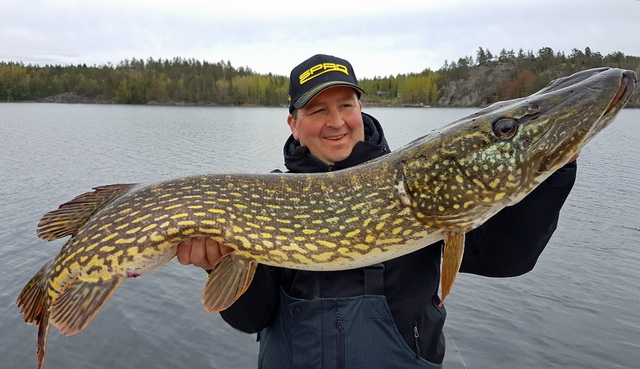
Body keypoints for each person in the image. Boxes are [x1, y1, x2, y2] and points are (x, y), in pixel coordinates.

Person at [176, 54, 577, 368]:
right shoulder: (261, 204)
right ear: (293, 125)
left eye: (345, 105)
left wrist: (553, 168)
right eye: (317, 111)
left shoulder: (421, 184)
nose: (336, 122)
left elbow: (508, 258)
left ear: (360, 109)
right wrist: (216, 265)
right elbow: (251, 319)